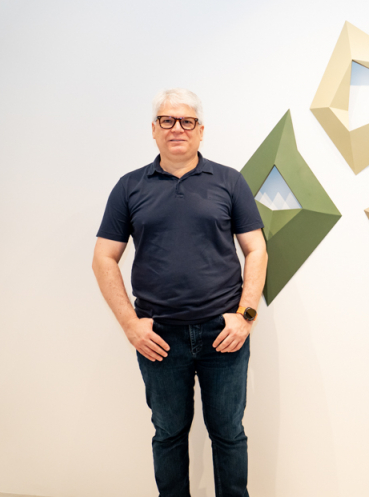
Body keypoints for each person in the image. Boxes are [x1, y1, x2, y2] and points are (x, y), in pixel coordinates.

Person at [92, 88, 268, 497]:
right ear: (154, 129)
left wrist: (246, 316)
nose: (177, 128)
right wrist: (131, 325)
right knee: (169, 434)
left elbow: (256, 249)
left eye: (187, 121)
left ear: (200, 130)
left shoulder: (229, 181)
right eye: (167, 120)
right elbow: (103, 258)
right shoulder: (129, 187)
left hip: (223, 334)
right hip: (159, 338)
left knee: (228, 433)